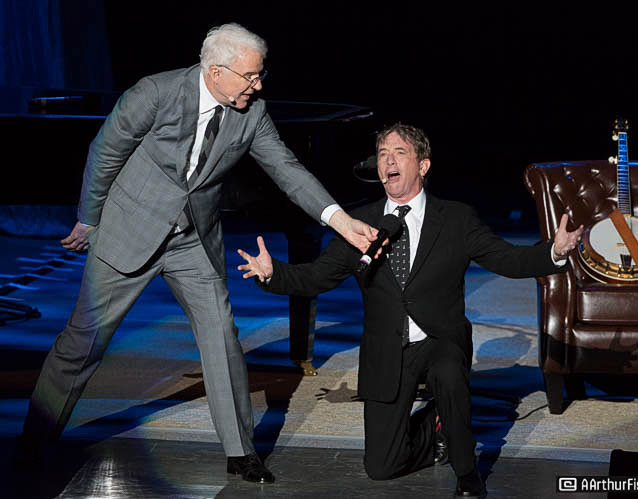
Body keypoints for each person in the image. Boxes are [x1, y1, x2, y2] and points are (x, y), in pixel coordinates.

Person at [16, 22, 379, 484]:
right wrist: (89, 219)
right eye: (250, 76)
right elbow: (106, 151)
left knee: (222, 337)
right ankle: (34, 441)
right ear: (215, 71)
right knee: (82, 343)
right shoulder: (155, 93)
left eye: (261, 75)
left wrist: (340, 220)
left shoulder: (252, 113)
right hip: (130, 230)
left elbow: (287, 169)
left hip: (193, 241)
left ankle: (241, 452)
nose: (258, 85)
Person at [237, 123, 583, 497]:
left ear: (423, 165)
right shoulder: (360, 224)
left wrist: (554, 252)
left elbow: (507, 259)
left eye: (399, 153)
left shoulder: (455, 219)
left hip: (440, 338)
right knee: (381, 468)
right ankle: (437, 427)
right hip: (387, 348)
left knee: (448, 374)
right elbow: (316, 277)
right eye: (383, 154)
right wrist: (272, 274)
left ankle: (467, 472)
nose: (389, 161)